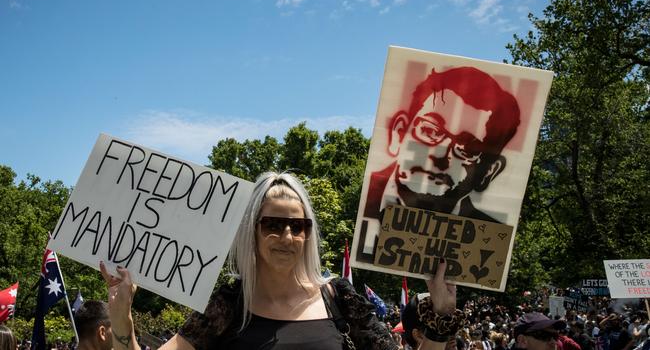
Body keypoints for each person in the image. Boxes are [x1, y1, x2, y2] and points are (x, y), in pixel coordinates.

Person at [100, 171, 463, 349]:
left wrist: (442, 316)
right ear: (252, 232)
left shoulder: (340, 299)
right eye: (273, 224)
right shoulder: (226, 307)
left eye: (298, 225)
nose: (287, 237)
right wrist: (121, 321)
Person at [360, 66, 520, 232]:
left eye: (469, 149)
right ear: (399, 134)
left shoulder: (490, 239)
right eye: (429, 131)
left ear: (488, 172)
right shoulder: (357, 202)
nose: (441, 155)